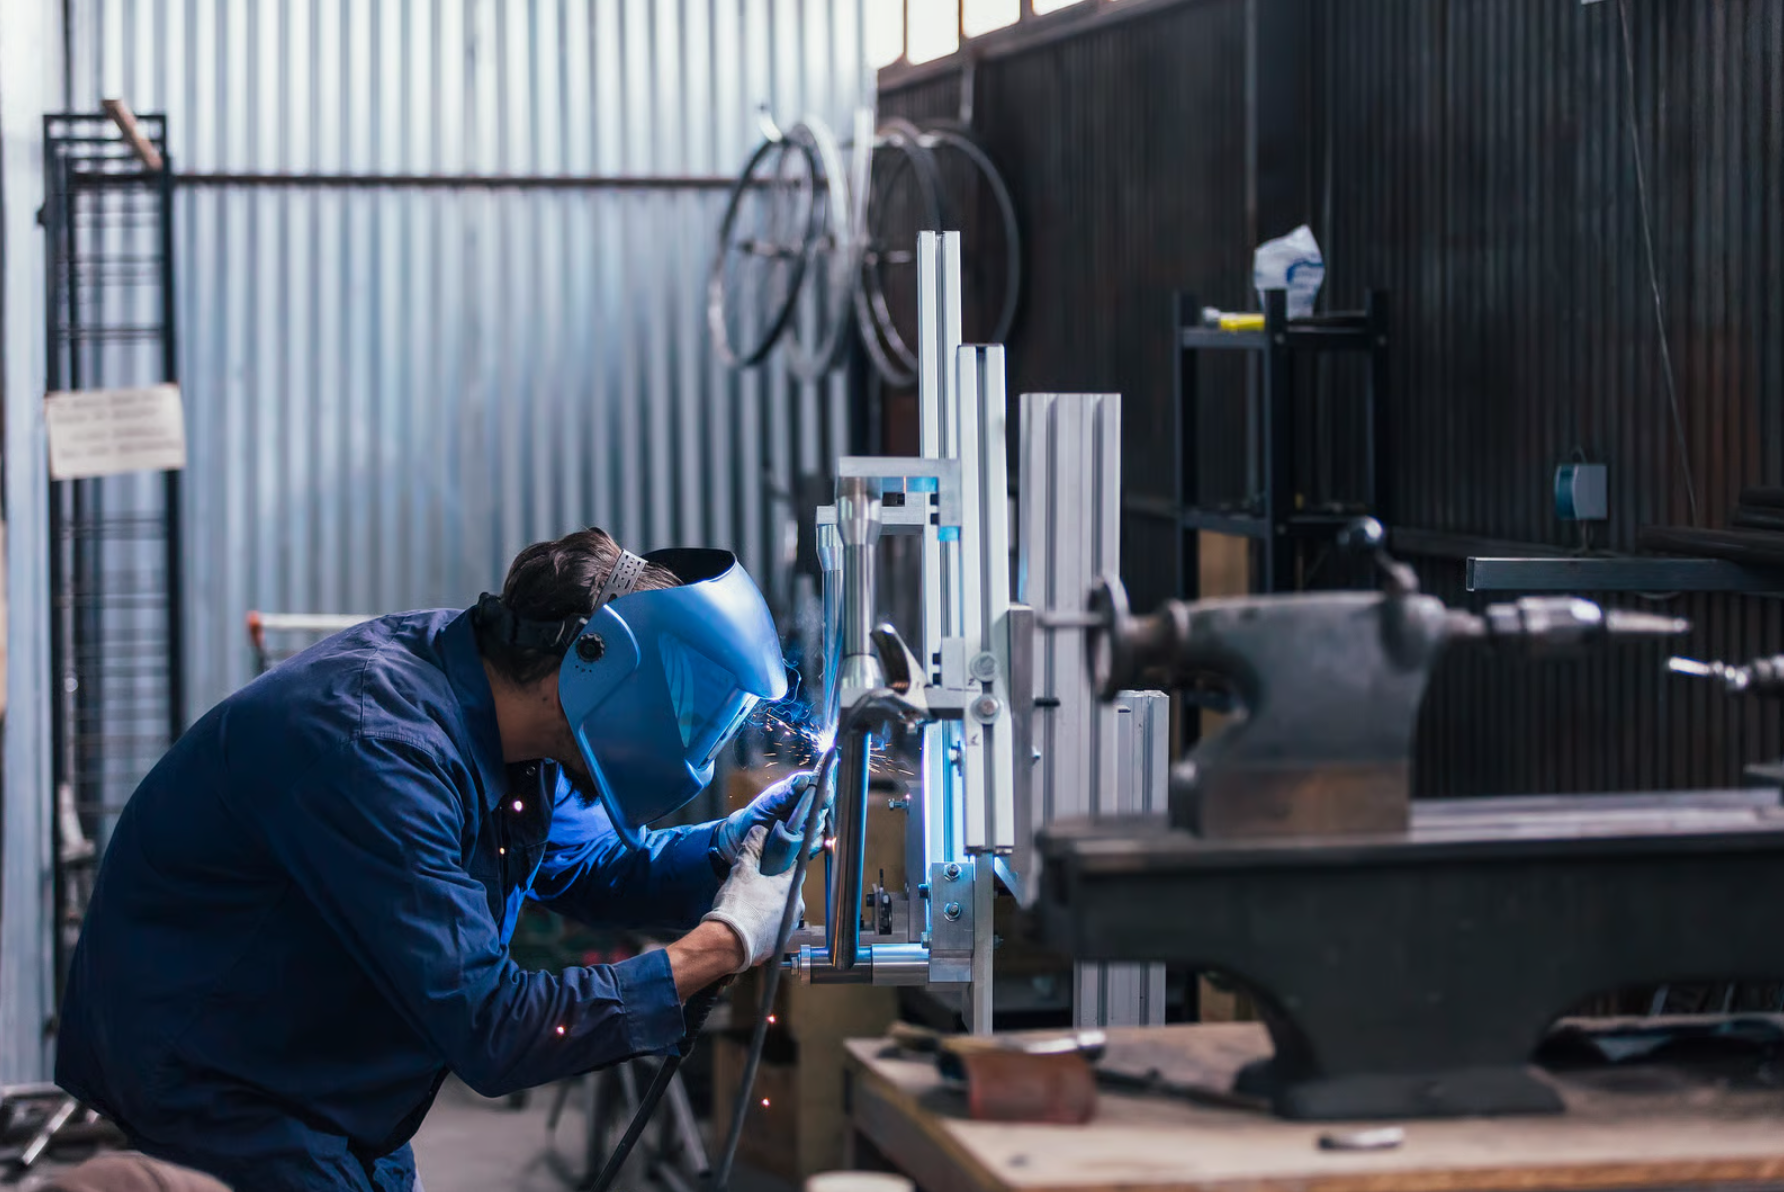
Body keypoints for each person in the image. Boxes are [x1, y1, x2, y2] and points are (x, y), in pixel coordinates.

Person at [56, 528, 814, 1192]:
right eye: (680, 701)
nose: (696, 732)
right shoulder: (378, 751)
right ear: (596, 662)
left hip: (323, 1061)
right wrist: (724, 945)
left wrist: (733, 843)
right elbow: (494, 1029)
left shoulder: (517, 712)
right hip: (221, 1082)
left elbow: (592, 864)